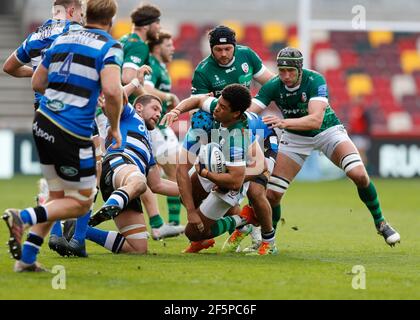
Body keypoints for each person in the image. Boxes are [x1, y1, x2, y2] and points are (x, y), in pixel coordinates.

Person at [2, 0, 124, 272]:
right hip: (72, 130)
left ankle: (27, 260)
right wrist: (114, 127)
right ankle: (21, 217)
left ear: (85, 13)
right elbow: (113, 92)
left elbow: (37, 82)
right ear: (111, 19)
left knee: (57, 196)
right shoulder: (108, 45)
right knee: (81, 201)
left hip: (42, 121)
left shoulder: (60, 37)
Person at [249, 47, 400, 247]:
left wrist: (282, 123)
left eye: (291, 71)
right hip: (295, 138)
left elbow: (315, 121)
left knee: (359, 175)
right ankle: (269, 244)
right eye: (282, 70)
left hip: (327, 132)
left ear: (300, 69)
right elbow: (250, 112)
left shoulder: (315, 80)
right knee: (272, 194)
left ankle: (380, 222)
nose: (285, 76)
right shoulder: (273, 86)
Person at [2, 0, 86, 256]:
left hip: (42, 113)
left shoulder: (37, 34)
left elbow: (8, 67)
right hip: (71, 113)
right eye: (81, 12)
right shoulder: (78, 34)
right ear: (72, 10)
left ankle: (36, 249)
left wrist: (36, 72)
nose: (83, 16)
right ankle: (73, 239)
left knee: (58, 183)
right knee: (84, 185)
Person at [162, 97, 279, 255]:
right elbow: (181, 170)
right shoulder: (210, 115)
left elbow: (259, 168)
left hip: (263, 144)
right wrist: (176, 110)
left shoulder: (238, 134)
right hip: (232, 160)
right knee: (187, 196)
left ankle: (267, 240)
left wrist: (222, 181)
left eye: (202, 138)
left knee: (255, 192)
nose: (199, 142)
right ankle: (240, 227)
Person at [86, 95, 179, 254]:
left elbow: (158, 185)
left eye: (160, 112)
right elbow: (117, 94)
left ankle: (80, 229)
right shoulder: (129, 114)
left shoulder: (149, 146)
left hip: (127, 186)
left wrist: (190, 189)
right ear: (139, 108)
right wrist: (135, 82)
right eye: (155, 108)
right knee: (140, 182)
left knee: (138, 248)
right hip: (118, 163)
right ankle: (111, 206)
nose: (158, 114)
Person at [143, 30, 184, 235]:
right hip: (155, 129)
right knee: (175, 172)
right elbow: (147, 91)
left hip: (161, 128)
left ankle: (170, 223)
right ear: (158, 47)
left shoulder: (162, 68)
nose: (173, 48)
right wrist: (169, 96)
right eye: (169, 45)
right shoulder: (151, 64)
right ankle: (170, 223)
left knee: (173, 173)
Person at [191, 25, 274, 97]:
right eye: (218, 50)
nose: (223, 54)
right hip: (216, 113)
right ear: (211, 49)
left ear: (235, 47)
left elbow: (272, 82)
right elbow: (195, 108)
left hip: (246, 111)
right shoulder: (202, 71)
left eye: (227, 49)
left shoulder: (247, 54)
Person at [120, 4, 162, 105]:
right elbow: (127, 78)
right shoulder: (139, 45)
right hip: (120, 107)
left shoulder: (125, 39)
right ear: (146, 25)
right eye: (157, 22)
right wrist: (148, 101)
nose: (159, 27)